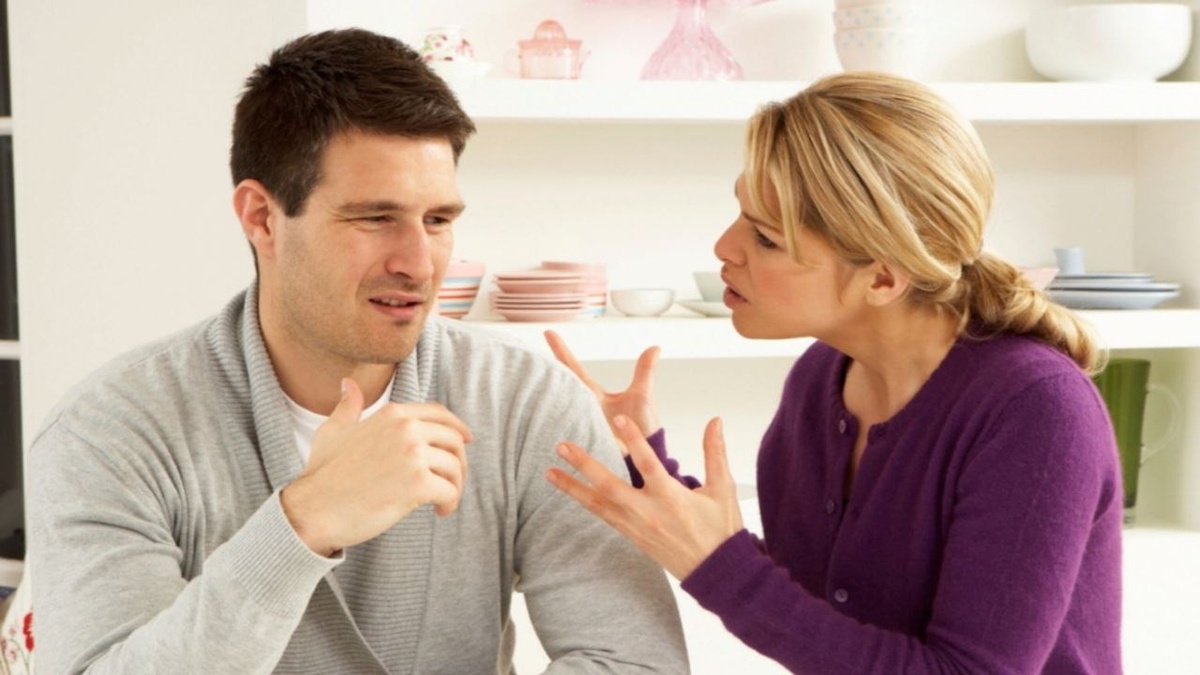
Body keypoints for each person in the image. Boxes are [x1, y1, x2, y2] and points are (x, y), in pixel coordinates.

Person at [26, 28, 688, 674]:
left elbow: (636, 660)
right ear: (261, 218)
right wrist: (303, 521)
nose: (419, 264)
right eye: (375, 218)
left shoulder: (528, 403)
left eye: (438, 220)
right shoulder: (109, 431)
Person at [545, 72, 1122, 674]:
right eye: (740, 213)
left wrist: (719, 566)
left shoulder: (1036, 410)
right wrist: (645, 463)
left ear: (883, 277)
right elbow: (814, 618)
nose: (724, 247)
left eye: (766, 238)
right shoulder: (822, 378)